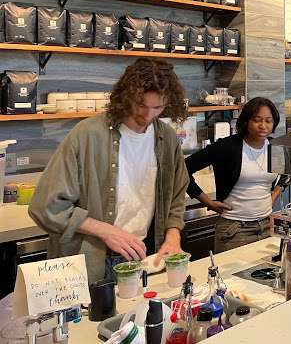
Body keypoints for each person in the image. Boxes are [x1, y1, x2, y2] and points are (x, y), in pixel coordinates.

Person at [29, 59, 190, 282]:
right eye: (141, 105)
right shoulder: (87, 134)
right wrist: (106, 230)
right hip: (91, 263)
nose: (148, 115)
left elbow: (177, 195)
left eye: (158, 108)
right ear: (126, 96)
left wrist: (173, 234)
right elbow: (45, 207)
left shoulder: (167, 137)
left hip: (144, 258)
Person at [185, 97, 286, 252]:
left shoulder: (276, 147)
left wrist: (273, 195)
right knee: (231, 275)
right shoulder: (228, 146)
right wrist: (208, 202)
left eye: (268, 121)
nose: (263, 126)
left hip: (267, 225)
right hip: (234, 230)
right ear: (246, 121)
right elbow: (183, 169)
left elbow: (290, 172)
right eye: (257, 120)